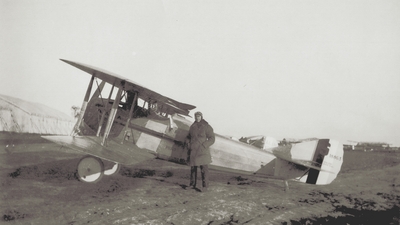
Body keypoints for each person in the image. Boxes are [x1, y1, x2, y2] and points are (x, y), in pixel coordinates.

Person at [185, 111, 215, 192]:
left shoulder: (206, 126)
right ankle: (192, 185)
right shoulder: (193, 126)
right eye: (196, 116)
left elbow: (212, 138)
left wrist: (204, 145)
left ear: (201, 117)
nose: (197, 118)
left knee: (204, 169)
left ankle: (205, 187)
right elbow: (188, 136)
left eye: (198, 116)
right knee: (193, 169)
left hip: (202, 151)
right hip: (193, 150)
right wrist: (188, 143)